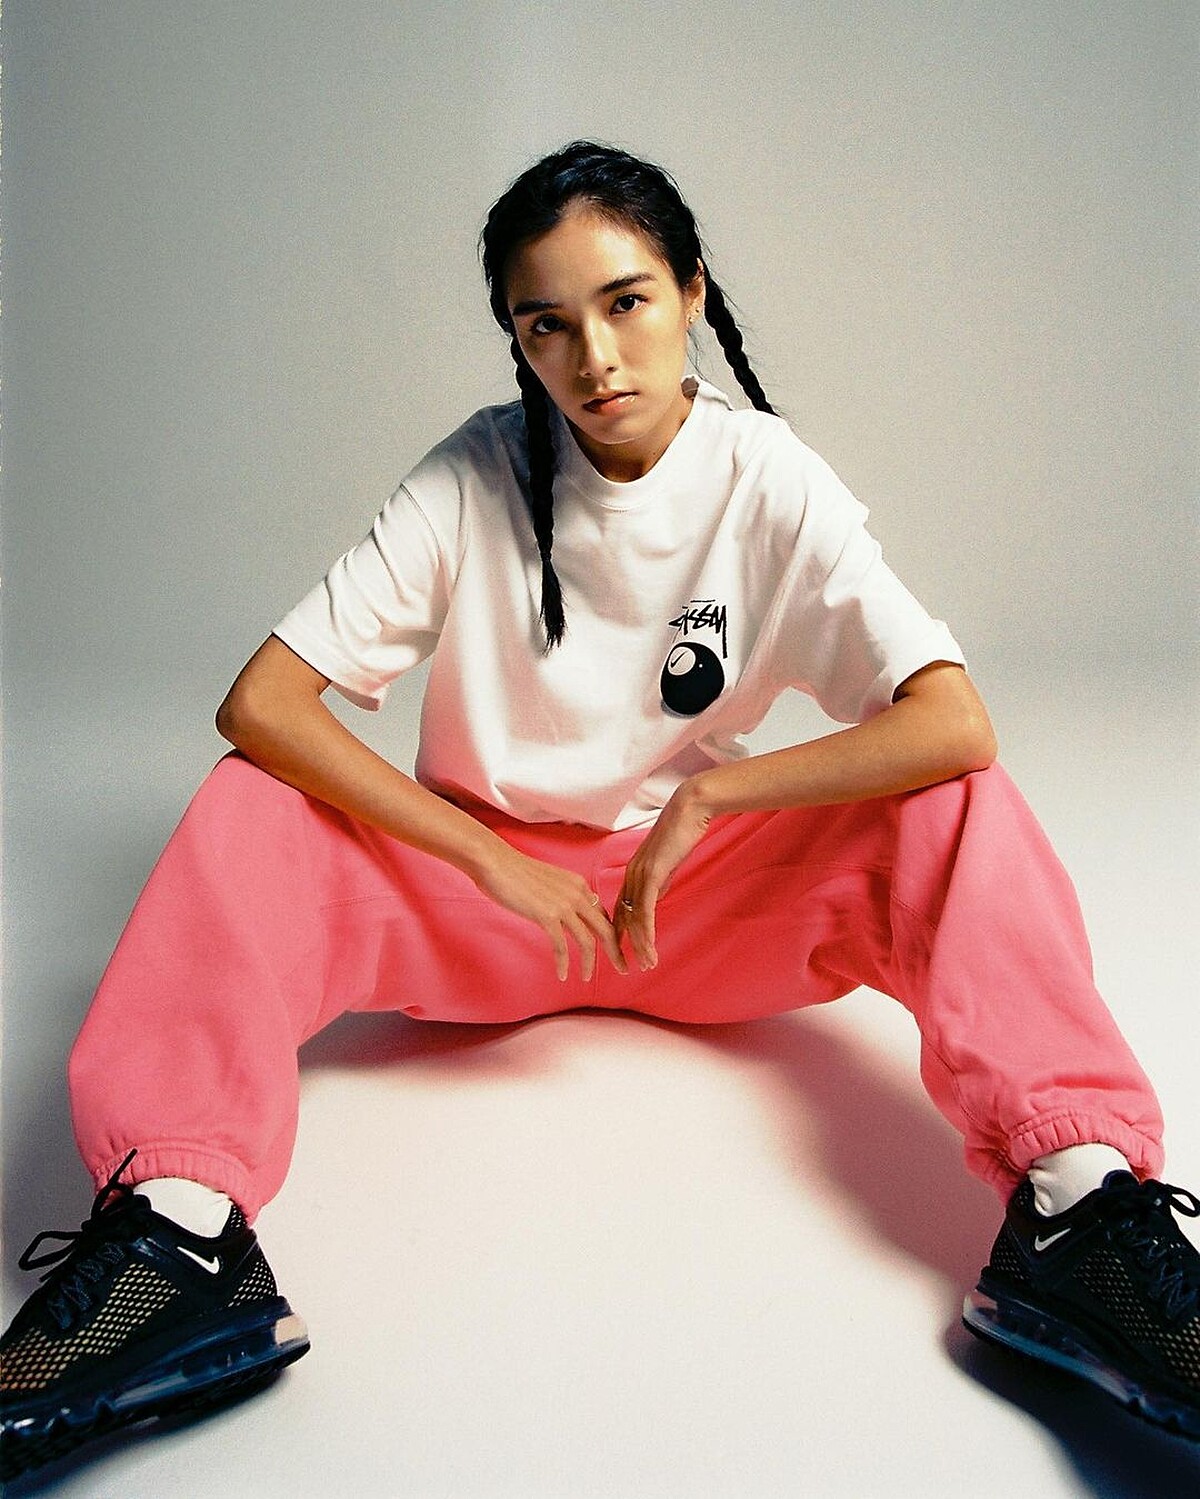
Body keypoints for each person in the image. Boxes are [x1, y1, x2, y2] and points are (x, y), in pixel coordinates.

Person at [2, 141, 1197, 1481]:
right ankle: (177, 1241)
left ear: (693, 293)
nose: (596, 357)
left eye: (626, 302)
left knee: (954, 804)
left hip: (690, 907)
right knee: (252, 807)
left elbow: (953, 722)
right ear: (519, 340)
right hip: (481, 914)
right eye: (547, 324)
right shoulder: (476, 474)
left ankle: (1080, 1219)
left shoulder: (767, 477)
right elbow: (264, 703)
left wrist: (716, 797)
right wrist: (481, 854)